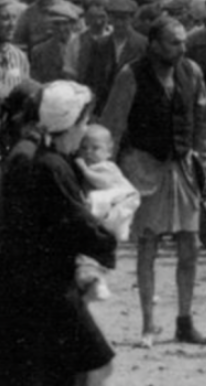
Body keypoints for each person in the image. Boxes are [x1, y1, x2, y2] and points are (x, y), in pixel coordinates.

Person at [0, 80, 116, 386]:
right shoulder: (50, 165)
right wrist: (109, 231)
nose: (85, 129)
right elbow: (77, 224)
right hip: (44, 290)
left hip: (21, 286)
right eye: (84, 121)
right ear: (71, 123)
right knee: (91, 367)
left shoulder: (33, 153)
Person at [101, 17, 206, 349]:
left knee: (190, 245)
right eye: (173, 43)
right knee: (147, 245)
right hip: (144, 167)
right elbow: (113, 125)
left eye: (183, 42)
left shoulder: (191, 72)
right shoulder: (130, 75)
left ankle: (184, 321)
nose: (181, 48)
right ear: (154, 44)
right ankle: (148, 325)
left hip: (181, 167)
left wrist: (204, 167)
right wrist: (112, 179)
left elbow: (204, 125)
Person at [74, 124, 141, 303]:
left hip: (111, 213)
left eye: (95, 148)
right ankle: (93, 280)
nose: (88, 152)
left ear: (109, 151)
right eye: (83, 148)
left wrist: (85, 170)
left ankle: (97, 281)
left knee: (98, 249)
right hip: (99, 216)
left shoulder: (107, 167)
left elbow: (104, 183)